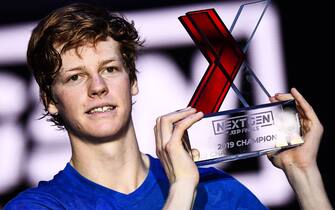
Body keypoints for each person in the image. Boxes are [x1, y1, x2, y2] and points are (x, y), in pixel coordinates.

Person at [3, 3, 332, 210]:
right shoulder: (41, 207)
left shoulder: (215, 192)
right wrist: (181, 190)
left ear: (133, 81)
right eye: (75, 77)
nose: (98, 87)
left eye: (109, 69)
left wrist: (303, 174)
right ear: (50, 101)